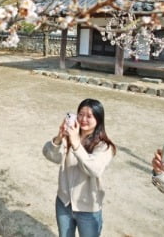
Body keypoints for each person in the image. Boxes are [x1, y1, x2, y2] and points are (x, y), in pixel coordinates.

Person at [43, 98, 116, 237]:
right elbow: (50, 155)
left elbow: (95, 169)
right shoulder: (69, 138)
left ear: (99, 119)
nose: (83, 119)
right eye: (81, 114)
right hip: (64, 203)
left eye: (89, 116)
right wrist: (58, 138)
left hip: (88, 209)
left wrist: (76, 145)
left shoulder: (104, 146)